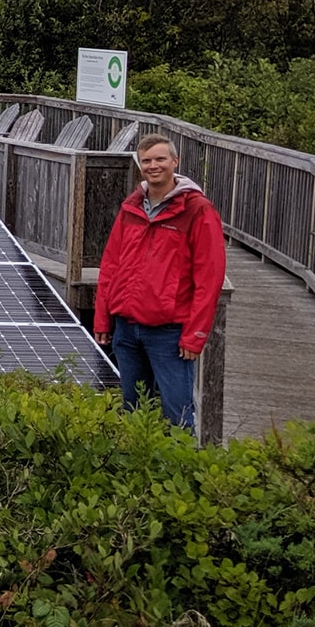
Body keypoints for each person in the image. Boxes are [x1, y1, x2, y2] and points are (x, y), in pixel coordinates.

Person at [93, 134, 226, 430]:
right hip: (126, 329)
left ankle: (181, 471)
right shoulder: (132, 206)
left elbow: (210, 277)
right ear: (140, 165)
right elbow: (110, 265)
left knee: (176, 415)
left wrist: (196, 335)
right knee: (133, 410)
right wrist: (103, 319)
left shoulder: (197, 210)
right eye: (147, 160)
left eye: (160, 159)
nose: (153, 166)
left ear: (175, 162)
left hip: (169, 334)